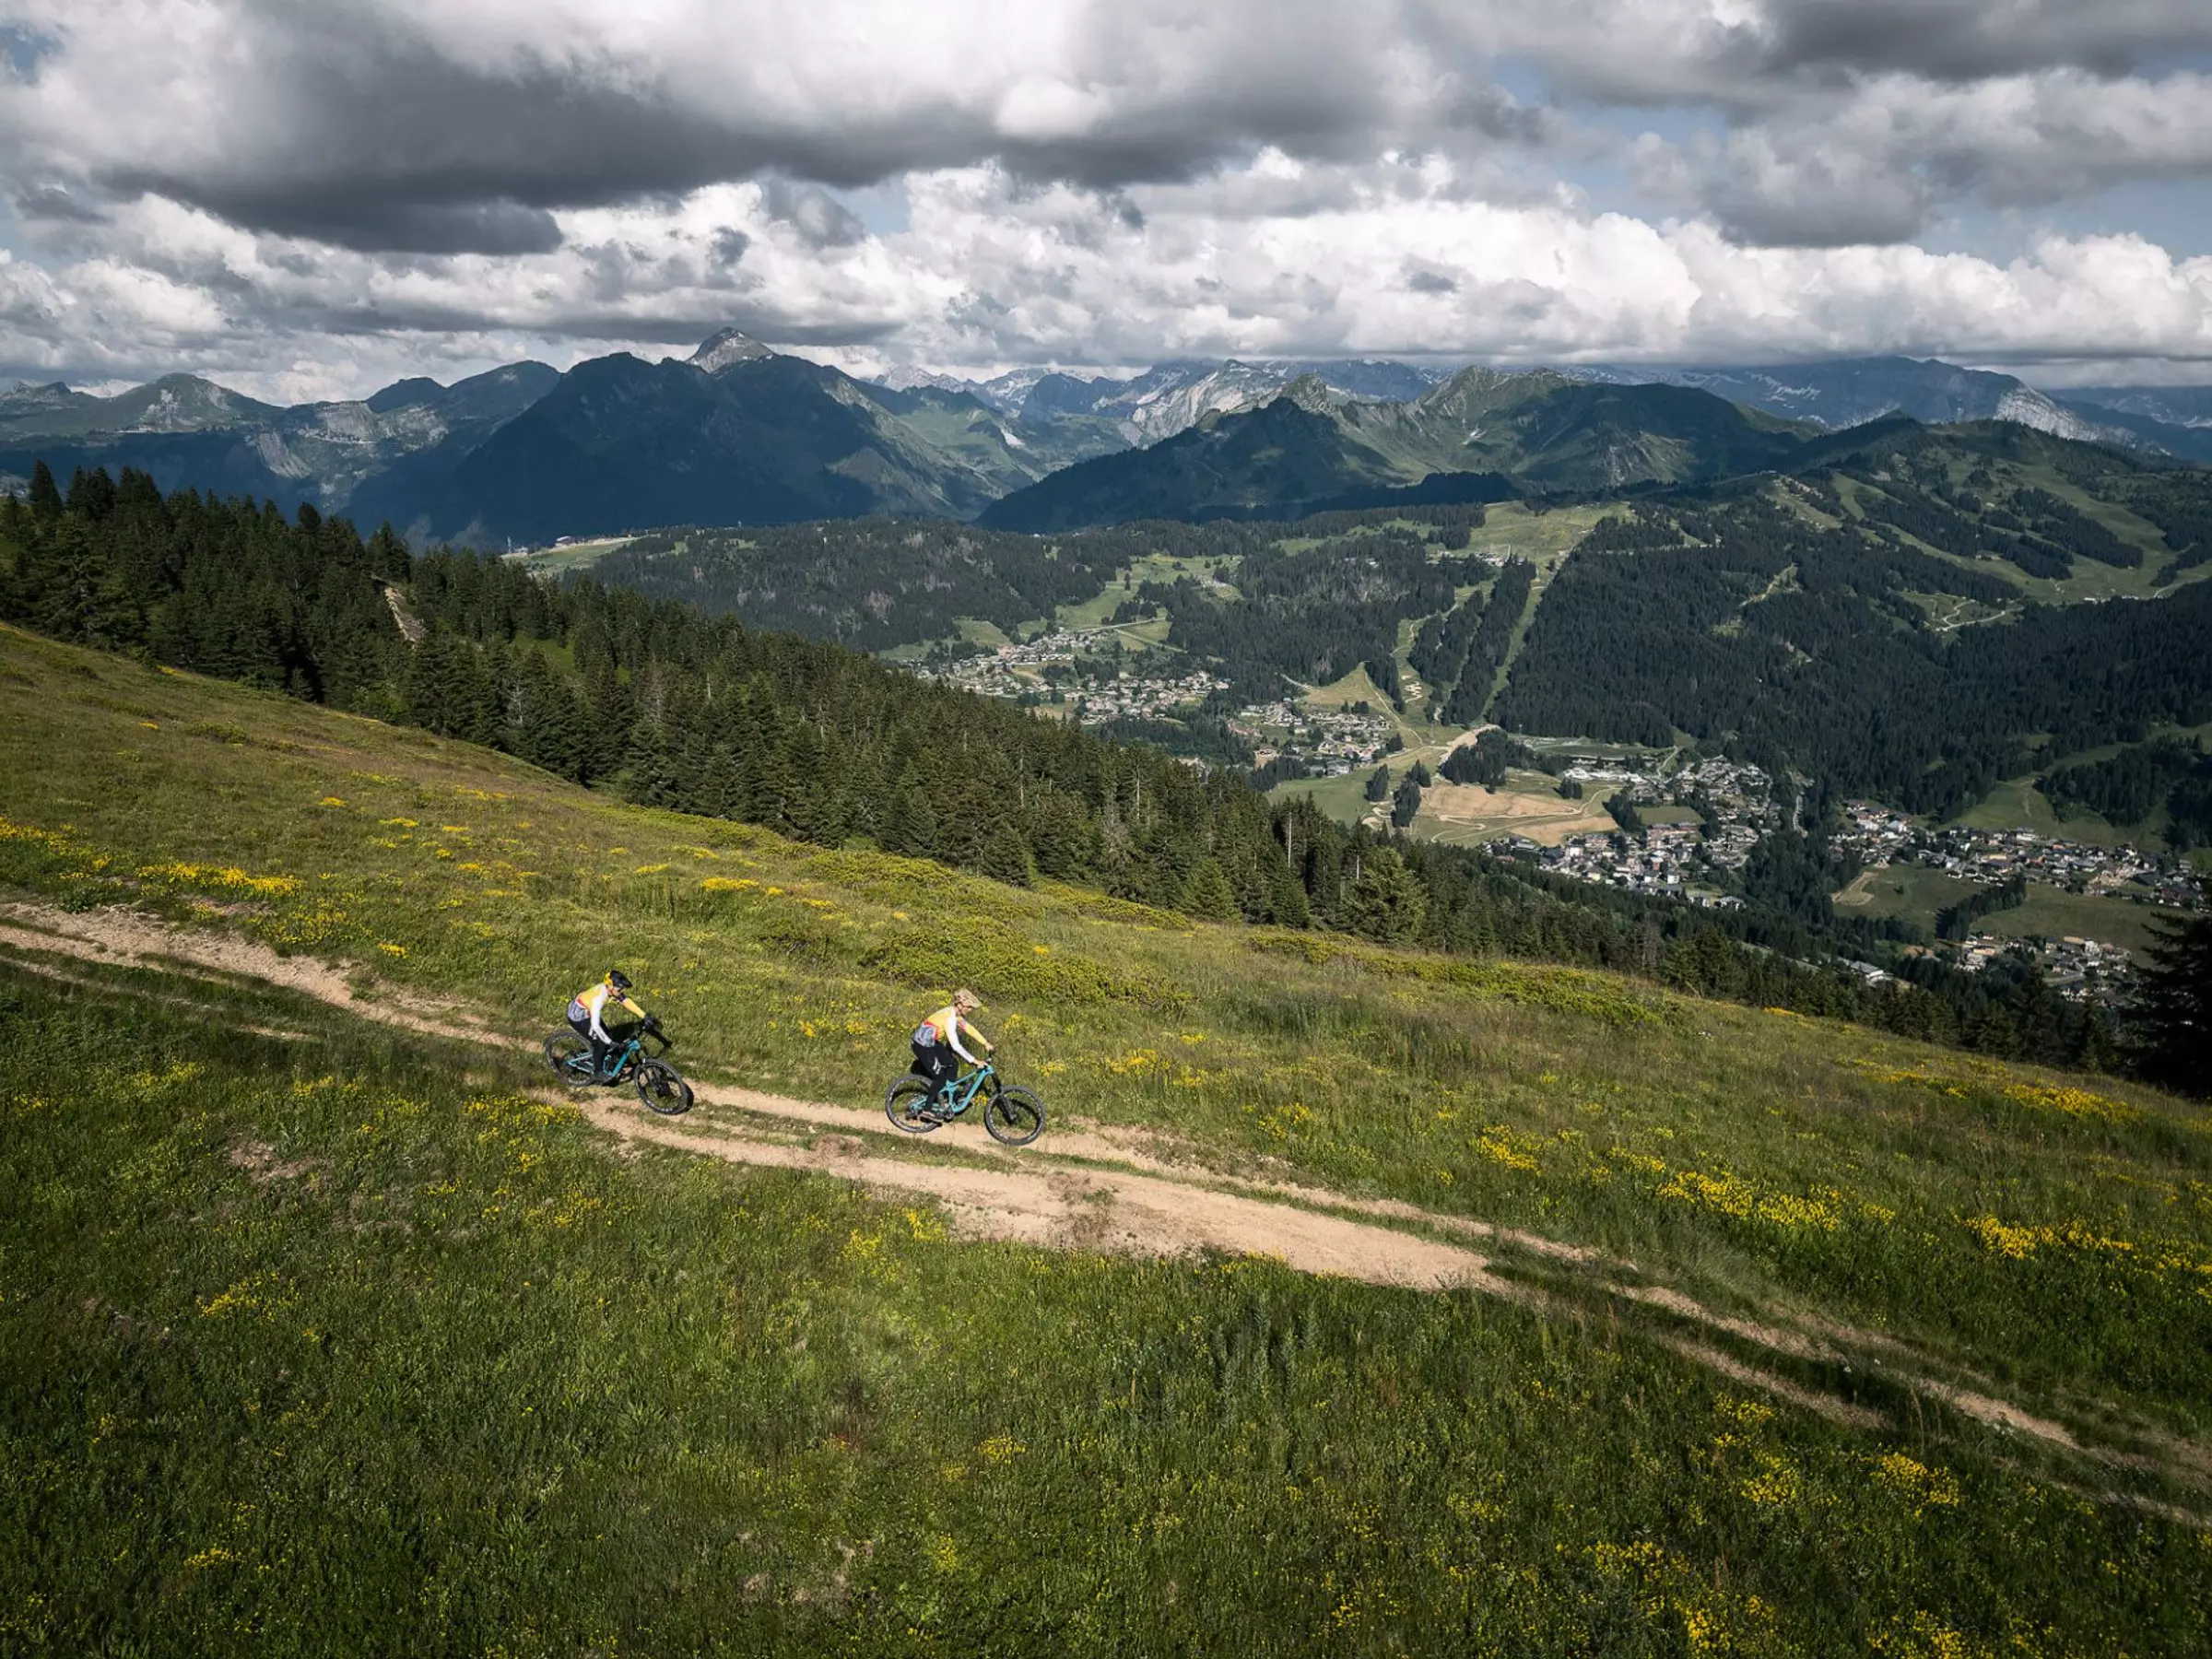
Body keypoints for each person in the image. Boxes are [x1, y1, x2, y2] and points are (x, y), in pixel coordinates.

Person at [911, 988, 994, 1111]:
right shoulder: (949, 1017)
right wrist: (974, 1061)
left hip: (930, 1042)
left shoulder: (955, 1014)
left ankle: (946, 1095)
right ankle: (927, 1109)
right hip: (921, 1045)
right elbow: (956, 1045)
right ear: (960, 1005)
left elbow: (968, 1028)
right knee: (940, 1078)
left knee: (953, 1064)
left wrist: (985, 1042)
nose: (970, 1010)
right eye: (969, 1007)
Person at [569, 969, 650, 1081]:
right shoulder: (599, 998)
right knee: (601, 1044)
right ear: (610, 987)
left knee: (608, 1036)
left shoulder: (610, 990)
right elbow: (595, 1026)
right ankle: (598, 1071)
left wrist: (644, 1016)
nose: (621, 991)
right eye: (619, 989)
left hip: (588, 1013)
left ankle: (608, 1060)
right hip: (578, 1017)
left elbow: (625, 1001)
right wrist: (609, 1042)